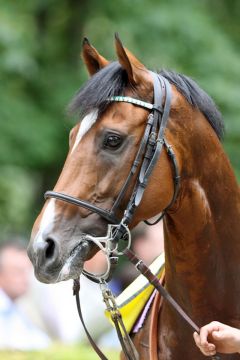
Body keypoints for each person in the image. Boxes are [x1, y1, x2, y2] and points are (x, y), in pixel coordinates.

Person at [0, 239, 50, 350]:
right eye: (18, 271)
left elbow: (43, 343)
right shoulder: (6, 308)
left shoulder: (19, 308)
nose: (25, 278)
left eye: (27, 271)